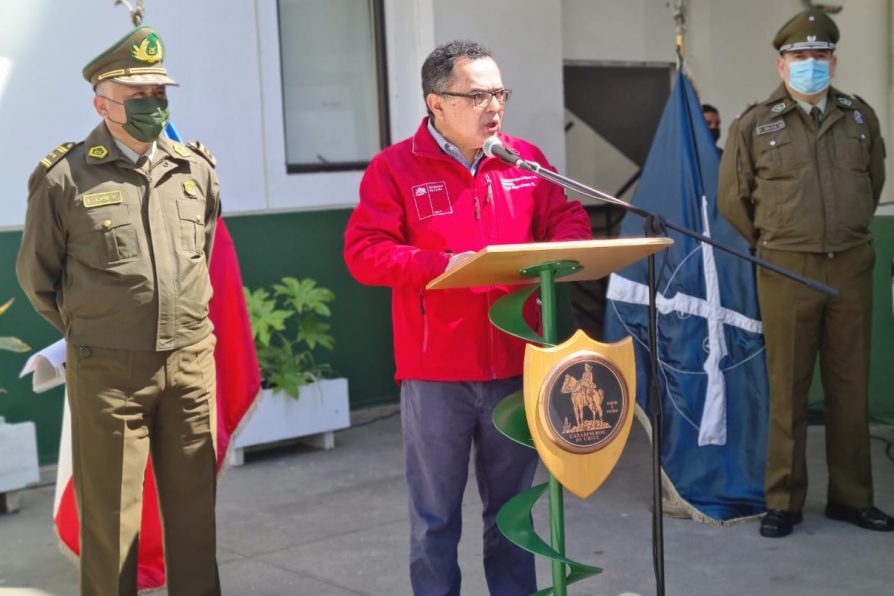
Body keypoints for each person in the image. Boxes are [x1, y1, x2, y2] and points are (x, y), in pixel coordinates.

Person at [344, 40, 591, 595]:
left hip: (515, 364)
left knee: (514, 515)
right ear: (436, 103)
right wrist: (442, 266)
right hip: (437, 375)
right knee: (435, 518)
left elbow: (569, 218)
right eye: (477, 95)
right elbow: (363, 253)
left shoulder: (523, 161)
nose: (494, 106)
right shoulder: (394, 169)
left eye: (498, 92)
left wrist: (551, 258)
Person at [17, 26, 222, 595]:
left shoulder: (194, 169)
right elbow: (38, 277)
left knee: (194, 516)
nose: (154, 106)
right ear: (102, 104)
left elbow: (200, 252)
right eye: (139, 96)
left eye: (160, 95)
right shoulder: (65, 177)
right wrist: (97, 330)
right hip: (109, 372)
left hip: (188, 365)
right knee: (112, 520)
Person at [718, 8, 891, 539]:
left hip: (851, 265)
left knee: (849, 385)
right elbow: (733, 200)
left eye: (820, 55)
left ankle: (852, 498)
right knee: (788, 387)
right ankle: (784, 501)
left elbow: (874, 179)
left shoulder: (860, 118)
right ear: (781, 64)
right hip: (786, 269)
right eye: (800, 56)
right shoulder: (754, 124)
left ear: (834, 62)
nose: (810, 64)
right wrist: (777, 243)